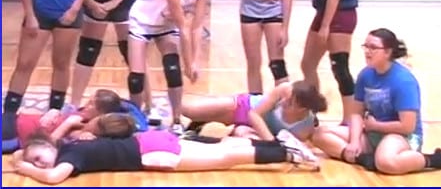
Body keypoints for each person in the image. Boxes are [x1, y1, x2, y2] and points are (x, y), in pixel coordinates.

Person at [312, 28, 441, 174]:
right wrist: (354, 141)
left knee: (386, 162)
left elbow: (407, 126)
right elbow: (356, 113)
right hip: (372, 132)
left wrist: (376, 126)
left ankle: (431, 159)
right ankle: (361, 158)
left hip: (401, 136)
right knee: (319, 134)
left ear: (387, 52)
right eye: (366, 46)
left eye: (373, 47)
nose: (367, 51)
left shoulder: (404, 81)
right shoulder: (365, 75)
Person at [11, 120, 318, 184]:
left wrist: (26, 169)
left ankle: (286, 153)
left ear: (50, 149)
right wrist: (23, 156)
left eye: (39, 157)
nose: (40, 163)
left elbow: (52, 178)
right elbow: (43, 151)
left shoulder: (69, 157)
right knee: (226, 147)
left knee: (225, 157)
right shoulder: (69, 145)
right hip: (152, 140)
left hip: (152, 154)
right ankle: (278, 144)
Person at [126, 0, 211, 135]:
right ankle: (136, 119)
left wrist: (193, 62)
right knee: (136, 77)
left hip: (165, 24)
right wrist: (188, 63)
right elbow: (183, 26)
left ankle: (177, 119)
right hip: (143, 20)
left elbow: (197, 27)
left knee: (172, 68)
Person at [182, 80, 327, 144]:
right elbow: (254, 114)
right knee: (191, 111)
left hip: (252, 128)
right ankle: (167, 104)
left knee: (243, 137)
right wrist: (270, 141)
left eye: (289, 103)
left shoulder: (304, 128)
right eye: (285, 99)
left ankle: (204, 127)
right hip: (243, 107)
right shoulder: (285, 89)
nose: (283, 102)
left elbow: (287, 141)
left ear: (302, 108)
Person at [2, 89, 122, 153]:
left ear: (101, 113)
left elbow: (48, 144)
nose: (86, 105)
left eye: (91, 104)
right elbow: (64, 112)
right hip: (17, 118)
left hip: (15, 132)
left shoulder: (84, 129)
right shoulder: (81, 113)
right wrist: (55, 111)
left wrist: (68, 123)